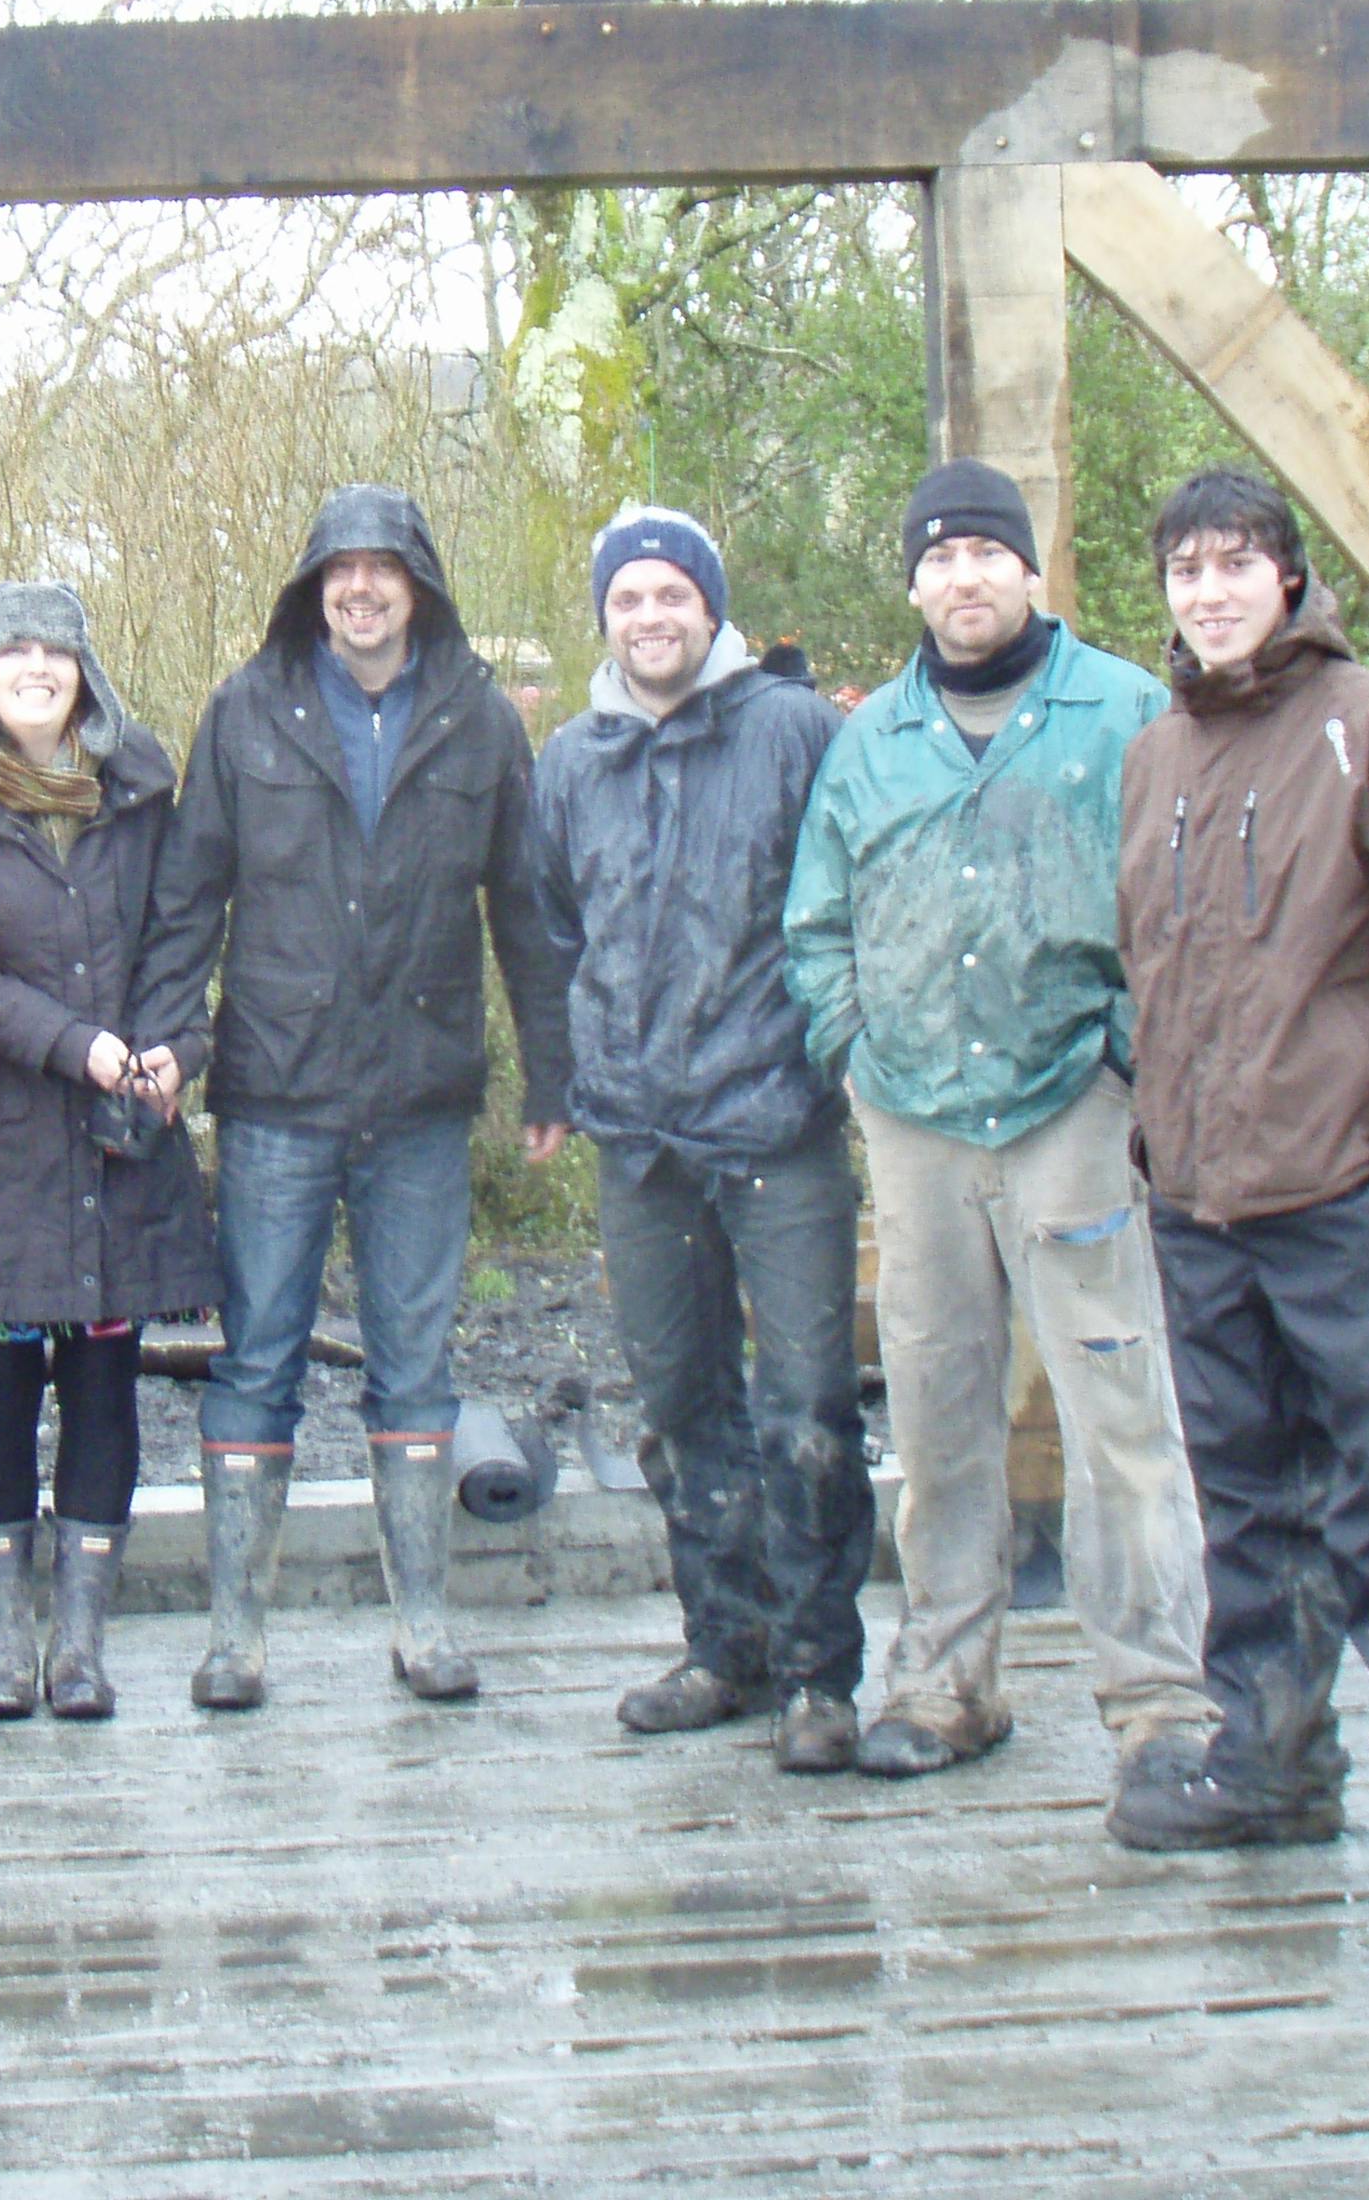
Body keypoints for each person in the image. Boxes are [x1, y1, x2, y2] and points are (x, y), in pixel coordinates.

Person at [1107, 467, 1369, 1928]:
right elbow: (1152, 977)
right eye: (1185, 570)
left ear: (1289, 578)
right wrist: (1160, 1146)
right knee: (1252, 1518)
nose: (1210, 592)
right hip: (1200, 1208)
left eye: (1236, 564)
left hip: (1346, 1199)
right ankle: (1274, 1767)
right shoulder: (1156, 758)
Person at [781, 460, 1218, 1813]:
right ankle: (943, 1684)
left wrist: (1123, 1065)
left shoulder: (1129, 716)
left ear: (1031, 572)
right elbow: (815, 927)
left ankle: (1159, 1700)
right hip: (913, 1122)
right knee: (937, 1411)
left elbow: (1187, 914)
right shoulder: (869, 745)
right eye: (939, 556)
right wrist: (851, 1048)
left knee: (1121, 1415)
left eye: (988, 552)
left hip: (1070, 1112)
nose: (963, 577)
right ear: (911, 582)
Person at [142, 483, 575, 1710]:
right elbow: (188, 899)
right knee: (257, 1357)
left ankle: (425, 1623)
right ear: (313, 590)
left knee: (417, 1361)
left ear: (420, 586)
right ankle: (237, 1635)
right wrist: (170, 1048)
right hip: (275, 1091)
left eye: (385, 570)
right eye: (342, 572)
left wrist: (554, 1071)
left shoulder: (482, 721)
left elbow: (527, 913)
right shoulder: (243, 712)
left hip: (425, 1096)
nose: (363, 590)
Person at [527, 509, 874, 1773]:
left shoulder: (796, 732)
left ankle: (818, 1673)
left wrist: (832, 1051)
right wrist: (573, 1077)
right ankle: (719, 1645)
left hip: (778, 1128)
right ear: (606, 619)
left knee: (807, 1411)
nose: (652, 617)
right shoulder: (571, 757)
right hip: (639, 1139)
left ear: (712, 610)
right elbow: (552, 920)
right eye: (629, 600)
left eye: (674, 594)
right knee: (679, 1405)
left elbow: (850, 899)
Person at [0, 584, 217, 1724]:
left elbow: (183, 927)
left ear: (88, 670)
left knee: (102, 1386)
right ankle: (5, 1644)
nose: (37, 666)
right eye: (14, 650)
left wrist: (175, 1047)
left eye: (58, 650)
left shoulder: (143, 781)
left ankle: (79, 1647)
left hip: (124, 1137)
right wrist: (72, 1046)